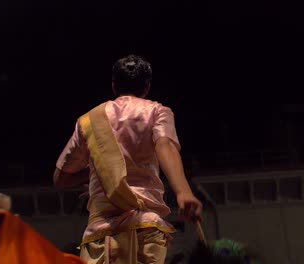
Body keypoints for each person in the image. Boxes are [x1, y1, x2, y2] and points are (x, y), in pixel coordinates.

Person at [54, 54, 203, 263]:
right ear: (147, 87)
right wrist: (183, 192)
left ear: (114, 85)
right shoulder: (157, 111)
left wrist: (98, 171)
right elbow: (165, 144)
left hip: (100, 233)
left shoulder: (88, 121)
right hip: (146, 227)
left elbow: (61, 177)